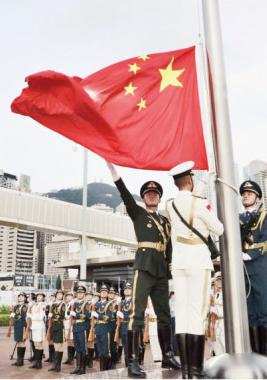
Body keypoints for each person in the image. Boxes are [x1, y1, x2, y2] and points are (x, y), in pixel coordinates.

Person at [106, 161, 180, 378]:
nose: (152, 195)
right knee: (136, 315)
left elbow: (169, 248)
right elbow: (125, 195)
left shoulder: (166, 222)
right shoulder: (138, 213)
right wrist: (115, 174)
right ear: (144, 197)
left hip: (160, 272)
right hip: (144, 268)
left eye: (155, 193)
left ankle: (167, 353)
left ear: (159, 197)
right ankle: (133, 361)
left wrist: (169, 271)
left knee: (164, 315)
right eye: (148, 193)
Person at [166, 161, 223, 379]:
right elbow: (219, 228)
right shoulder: (200, 204)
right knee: (196, 315)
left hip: (179, 264)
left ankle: (187, 371)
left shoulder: (170, 205)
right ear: (189, 180)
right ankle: (197, 371)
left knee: (181, 316)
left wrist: (204, 179)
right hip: (198, 262)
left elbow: (188, 199)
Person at [238, 180, 267, 357]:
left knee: (263, 312)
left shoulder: (264, 215)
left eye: (249, 193)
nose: (245, 195)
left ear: (257, 198)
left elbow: (266, 240)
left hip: (258, 266)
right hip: (242, 268)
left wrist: (249, 254)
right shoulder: (237, 218)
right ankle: (255, 356)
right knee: (250, 313)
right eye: (243, 193)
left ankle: (266, 357)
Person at [70, 285, 92, 375]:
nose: (79, 294)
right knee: (77, 348)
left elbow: (87, 315)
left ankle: (82, 368)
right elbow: (69, 313)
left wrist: (76, 314)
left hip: (83, 326)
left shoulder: (86, 304)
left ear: (84, 294)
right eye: (78, 293)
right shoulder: (74, 303)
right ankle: (78, 367)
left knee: (83, 348)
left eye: (81, 293)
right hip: (75, 326)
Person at [93, 284, 115, 371]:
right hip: (98, 328)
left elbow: (109, 317)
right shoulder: (97, 304)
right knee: (100, 350)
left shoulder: (109, 304)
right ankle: (102, 370)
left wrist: (98, 315)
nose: (103, 293)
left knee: (106, 350)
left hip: (105, 328)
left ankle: (106, 370)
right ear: (99, 293)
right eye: (102, 292)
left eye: (105, 292)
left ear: (107, 294)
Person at [47, 289, 66, 372]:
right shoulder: (53, 305)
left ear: (62, 296)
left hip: (59, 325)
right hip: (53, 326)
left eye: (60, 294)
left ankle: (58, 366)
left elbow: (62, 315)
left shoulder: (63, 304)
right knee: (55, 345)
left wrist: (53, 315)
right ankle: (55, 365)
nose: (59, 295)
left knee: (59, 346)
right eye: (58, 294)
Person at [28, 292, 47, 369]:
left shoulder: (43, 305)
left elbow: (40, 317)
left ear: (43, 298)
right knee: (35, 344)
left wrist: (31, 316)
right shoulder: (35, 305)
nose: (39, 297)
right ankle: (36, 361)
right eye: (38, 296)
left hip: (39, 326)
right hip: (34, 326)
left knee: (39, 344)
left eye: (41, 296)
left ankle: (39, 363)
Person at [208, 272, 225, 357]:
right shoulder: (213, 295)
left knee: (225, 346)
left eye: (220, 280)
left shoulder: (226, 294)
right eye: (217, 280)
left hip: (223, 321)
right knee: (216, 348)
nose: (218, 282)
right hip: (214, 323)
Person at [118, 282, 134, 369]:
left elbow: (134, 315)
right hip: (123, 327)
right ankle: (127, 366)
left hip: (130, 326)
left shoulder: (133, 301)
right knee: (125, 348)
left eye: (129, 289)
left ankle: (132, 366)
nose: (127, 290)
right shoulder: (122, 302)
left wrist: (123, 316)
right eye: (125, 289)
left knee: (130, 349)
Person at [11, 292, 28, 366]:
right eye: (19, 296)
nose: (20, 298)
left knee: (22, 342)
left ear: (25, 298)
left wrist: (14, 316)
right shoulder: (17, 306)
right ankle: (18, 359)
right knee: (18, 342)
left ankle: (21, 360)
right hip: (17, 325)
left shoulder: (24, 306)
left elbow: (23, 316)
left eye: (22, 297)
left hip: (22, 324)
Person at [63, 291, 76, 365]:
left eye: (70, 296)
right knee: (68, 341)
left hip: (71, 323)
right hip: (66, 323)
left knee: (71, 340)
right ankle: (69, 358)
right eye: (67, 296)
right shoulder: (67, 305)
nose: (68, 297)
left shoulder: (73, 305)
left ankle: (71, 359)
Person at [107, 286, 119, 369]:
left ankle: (113, 362)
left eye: (112, 293)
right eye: (110, 293)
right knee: (106, 345)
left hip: (113, 325)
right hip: (105, 326)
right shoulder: (104, 303)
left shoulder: (117, 304)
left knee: (113, 345)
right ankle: (108, 362)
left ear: (115, 295)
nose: (111, 294)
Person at [45, 293, 57, 364]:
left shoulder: (56, 305)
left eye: (53, 297)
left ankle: (54, 356)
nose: (52, 298)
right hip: (48, 323)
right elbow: (46, 313)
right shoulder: (48, 305)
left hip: (53, 323)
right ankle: (50, 356)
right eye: (51, 297)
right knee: (49, 339)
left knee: (53, 340)